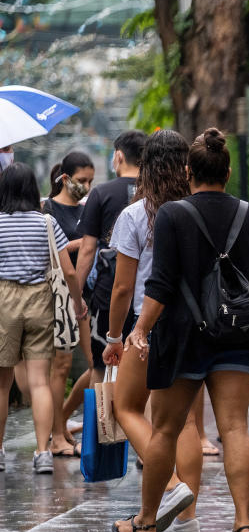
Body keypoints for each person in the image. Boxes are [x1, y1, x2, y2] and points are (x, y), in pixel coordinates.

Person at [111, 128, 249, 532]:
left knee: (165, 429)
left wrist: (140, 329)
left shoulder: (172, 214)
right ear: (228, 169)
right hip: (236, 334)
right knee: (235, 428)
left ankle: (146, 520)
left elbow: (160, 285)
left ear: (189, 170)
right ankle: (243, 523)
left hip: (182, 337)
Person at [102, 130, 201, 532]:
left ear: (145, 166)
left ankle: (174, 488)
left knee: (127, 409)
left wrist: (113, 336)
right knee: (186, 423)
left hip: (150, 325)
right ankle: (187, 522)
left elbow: (124, 287)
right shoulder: (197, 209)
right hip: (195, 325)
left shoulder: (136, 215)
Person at [0, 163, 86, 473]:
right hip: (40, 299)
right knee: (39, 382)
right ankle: (42, 453)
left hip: (4, 301)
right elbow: (69, 270)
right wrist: (77, 304)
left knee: (2, 384)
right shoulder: (46, 223)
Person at [76, 130, 144, 382]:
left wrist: (77, 296)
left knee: (101, 368)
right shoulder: (156, 192)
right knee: (142, 368)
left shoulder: (101, 193)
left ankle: (101, 422)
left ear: (118, 156)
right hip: (148, 298)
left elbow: (86, 250)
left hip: (109, 295)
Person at [43, 150, 95, 457]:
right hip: (59, 294)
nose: (86, 186)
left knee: (96, 364)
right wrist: (82, 242)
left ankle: (60, 420)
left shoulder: (90, 209)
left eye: (90, 180)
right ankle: (57, 432)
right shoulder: (47, 210)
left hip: (87, 295)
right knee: (59, 366)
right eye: (81, 180)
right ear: (65, 178)